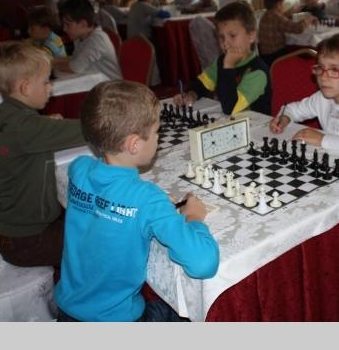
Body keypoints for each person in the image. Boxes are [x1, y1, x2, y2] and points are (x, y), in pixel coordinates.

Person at [54, 80, 219, 322]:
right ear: (134, 144)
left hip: (68, 311)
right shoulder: (147, 199)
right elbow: (204, 263)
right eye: (157, 132)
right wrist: (194, 218)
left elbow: (105, 198)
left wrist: (147, 206)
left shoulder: (79, 169)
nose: (159, 137)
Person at [0, 43, 86, 276]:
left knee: (85, 220)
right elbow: (87, 131)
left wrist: (45, 124)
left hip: (15, 230)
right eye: (45, 81)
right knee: (103, 239)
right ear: (24, 87)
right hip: (27, 240)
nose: (50, 87)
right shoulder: (27, 128)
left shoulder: (1, 115)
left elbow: (22, 134)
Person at [269, 33, 339, 159]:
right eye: (320, 68)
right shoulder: (322, 99)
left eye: (334, 70)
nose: (323, 77)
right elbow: (291, 109)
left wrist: (322, 139)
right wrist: (284, 118)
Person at [173, 1, 272, 115]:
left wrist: (228, 66)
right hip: (231, 121)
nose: (225, 43)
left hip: (256, 124)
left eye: (232, 36)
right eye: (221, 37)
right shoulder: (221, 61)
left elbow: (230, 108)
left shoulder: (257, 72)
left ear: (251, 36)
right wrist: (190, 95)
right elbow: (202, 85)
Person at [53, 0, 122, 80]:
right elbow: (75, 59)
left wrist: (51, 64)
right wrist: (52, 60)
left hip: (110, 85)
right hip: (94, 81)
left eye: (67, 25)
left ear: (83, 24)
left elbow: (74, 68)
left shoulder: (97, 40)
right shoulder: (80, 37)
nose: (64, 29)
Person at [258, 0, 316, 66]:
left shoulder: (264, 16)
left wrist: (291, 12)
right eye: (283, 3)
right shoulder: (277, 18)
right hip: (276, 56)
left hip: (265, 56)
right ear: (278, 4)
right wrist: (308, 19)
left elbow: (282, 20)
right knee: (305, 53)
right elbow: (298, 28)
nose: (283, 6)